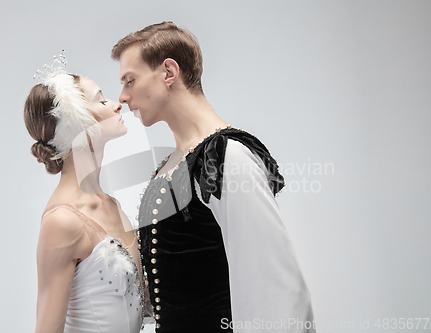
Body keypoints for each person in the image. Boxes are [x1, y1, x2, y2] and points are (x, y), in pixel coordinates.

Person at [111, 22, 315, 332]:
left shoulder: (223, 156)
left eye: (130, 80)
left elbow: (272, 284)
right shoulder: (172, 164)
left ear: (168, 72)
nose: (123, 96)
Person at [24, 52, 145, 333]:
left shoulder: (112, 206)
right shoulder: (62, 222)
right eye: (102, 100)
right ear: (76, 123)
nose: (117, 105)